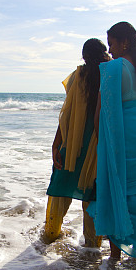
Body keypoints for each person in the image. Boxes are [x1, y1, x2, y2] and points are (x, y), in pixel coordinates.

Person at [88, 21, 136, 259]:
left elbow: (102, 112)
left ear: (125, 42)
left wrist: (104, 147)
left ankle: (115, 257)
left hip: (125, 139)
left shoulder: (115, 68)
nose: (109, 50)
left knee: (116, 189)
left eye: (111, 43)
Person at [43, 38, 110, 247]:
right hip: (97, 145)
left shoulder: (76, 77)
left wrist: (56, 145)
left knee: (60, 189)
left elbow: (67, 115)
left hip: (72, 145)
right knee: (92, 193)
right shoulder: (110, 75)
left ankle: (51, 235)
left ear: (83, 55)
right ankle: (92, 244)